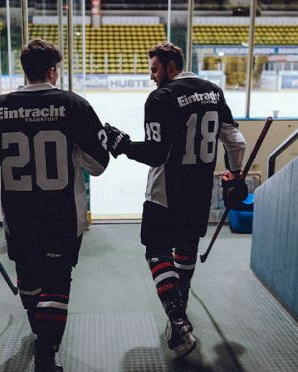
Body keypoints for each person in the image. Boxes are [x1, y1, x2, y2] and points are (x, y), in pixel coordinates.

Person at [0, 39, 110, 371]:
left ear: (24, 69)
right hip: (63, 215)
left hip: (19, 215)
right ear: (52, 70)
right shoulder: (74, 105)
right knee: (57, 280)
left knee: (28, 279)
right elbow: (98, 166)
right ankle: (47, 348)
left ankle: (40, 332)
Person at [104, 42, 248, 358]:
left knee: (156, 251)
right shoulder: (213, 91)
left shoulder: (161, 98)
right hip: (199, 192)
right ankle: (180, 309)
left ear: (171, 67)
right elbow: (236, 140)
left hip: (164, 192)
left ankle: (177, 321)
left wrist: (123, 144)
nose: (152, 77)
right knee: (185, 249)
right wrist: (235, 176)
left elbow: (156, 153)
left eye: (155, 69)